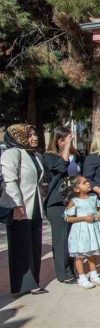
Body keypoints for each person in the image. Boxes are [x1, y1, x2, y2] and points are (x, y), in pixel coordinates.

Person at [0, 124, 46, 295]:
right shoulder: (11, 153)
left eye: (35, 134)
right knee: (20, 246)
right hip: (20, 207)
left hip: (35, 206)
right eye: (29, 135)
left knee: (34, 244)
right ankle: (25, 284)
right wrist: (17, 205)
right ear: (18, 137)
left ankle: (34, 279)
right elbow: (9, 180)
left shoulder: (36, 155)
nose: (34, 138)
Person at [62, 176, 100, 289]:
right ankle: (82, 277)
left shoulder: (94, 197)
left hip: (93, 229)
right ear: (76, 189)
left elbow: (99, 208)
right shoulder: (74, 201)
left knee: (91, 252)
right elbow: (68, 218)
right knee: (80, 255)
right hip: (81, 231)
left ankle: (94, 274)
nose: (88, 184)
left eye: (87, 181)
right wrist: (83, 218)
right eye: (84, 183)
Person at [43, 126, 79, 284]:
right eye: (64, 139)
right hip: (57, 203)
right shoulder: (50, 156)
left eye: (69, 138)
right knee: (61, 239)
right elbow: (60, 167)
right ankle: (63, 273)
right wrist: (65, 149)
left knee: (72, 238)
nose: (68, 141)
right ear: (57, 141)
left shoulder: (75, 155)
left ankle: (72, 268)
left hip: (73, 200)